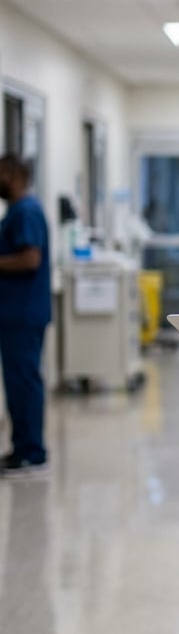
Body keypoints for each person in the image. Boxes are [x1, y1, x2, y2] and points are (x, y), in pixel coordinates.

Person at [0, 154, 52, 475]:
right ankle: (23, 448)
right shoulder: (19, 211)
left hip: (23, 313)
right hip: (17, 313)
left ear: (12, 174)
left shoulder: (26, 211)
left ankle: (32, 452)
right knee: (19, 383)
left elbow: (30, 259)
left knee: (24, 382)